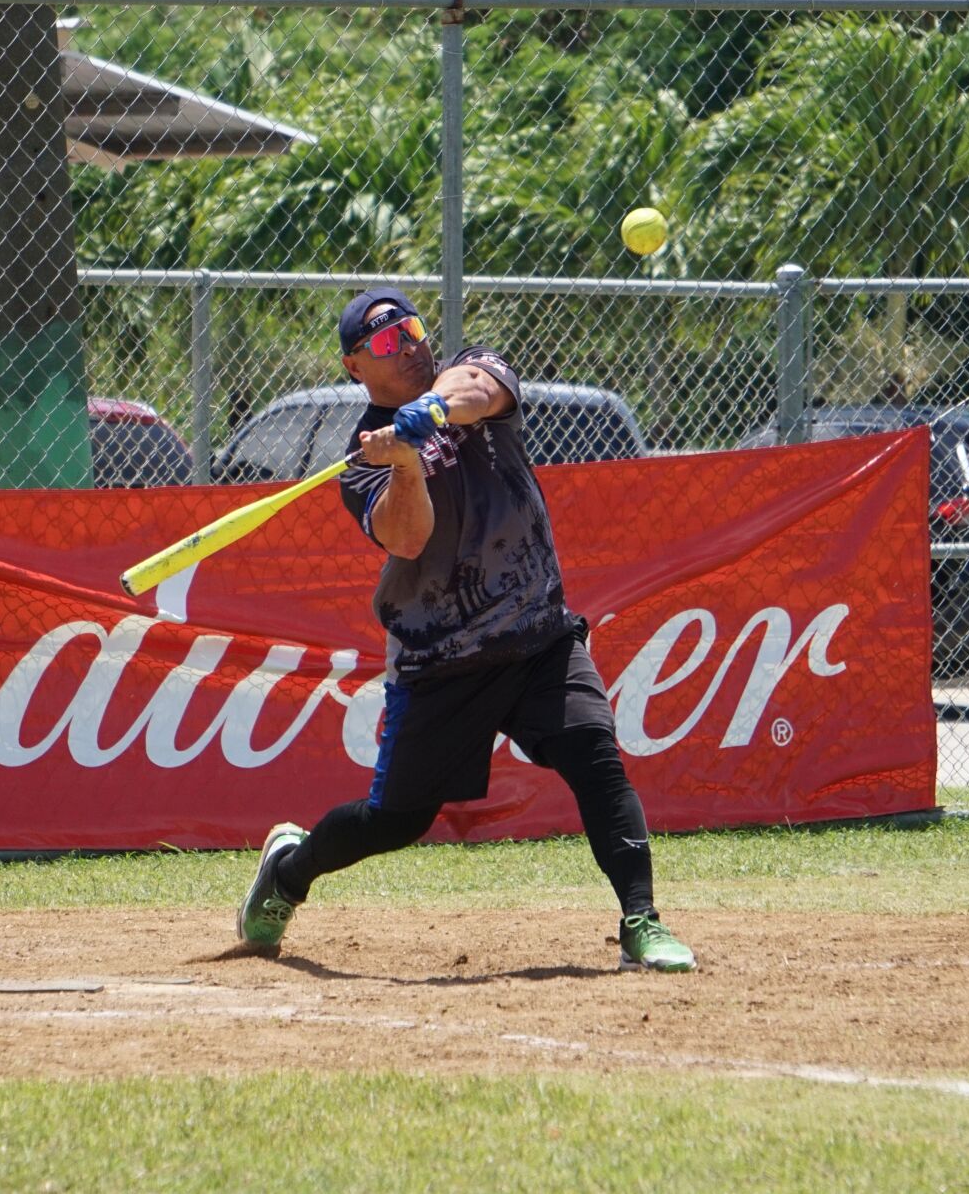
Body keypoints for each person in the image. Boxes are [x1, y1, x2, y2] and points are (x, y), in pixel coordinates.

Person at [235, 287, 695, 972]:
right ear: (355, 367)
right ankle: (289, 871)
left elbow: (478, 388)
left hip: (537, 633)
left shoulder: (471, 374)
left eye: (412, 328)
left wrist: (430, 412)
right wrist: (405, 460)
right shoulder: (361, 464)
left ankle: (641, 919)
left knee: (594, 753)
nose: (411, 344)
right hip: (439, 659)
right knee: (396, 819)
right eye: (387, 341)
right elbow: (409, 537)